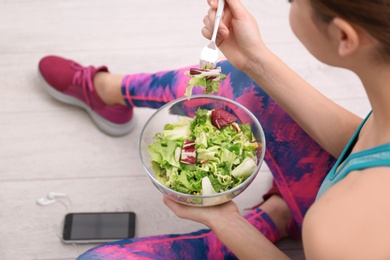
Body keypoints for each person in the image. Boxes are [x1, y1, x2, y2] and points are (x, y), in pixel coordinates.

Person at [37, 0, 390, 259]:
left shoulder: (340, 230)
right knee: (243, 81)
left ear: (344, 36)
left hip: (333, 231)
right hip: (335, 210)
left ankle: (272, 221)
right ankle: (109, 93)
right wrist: (254, 59)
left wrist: (226, 222)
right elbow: (365, 141)